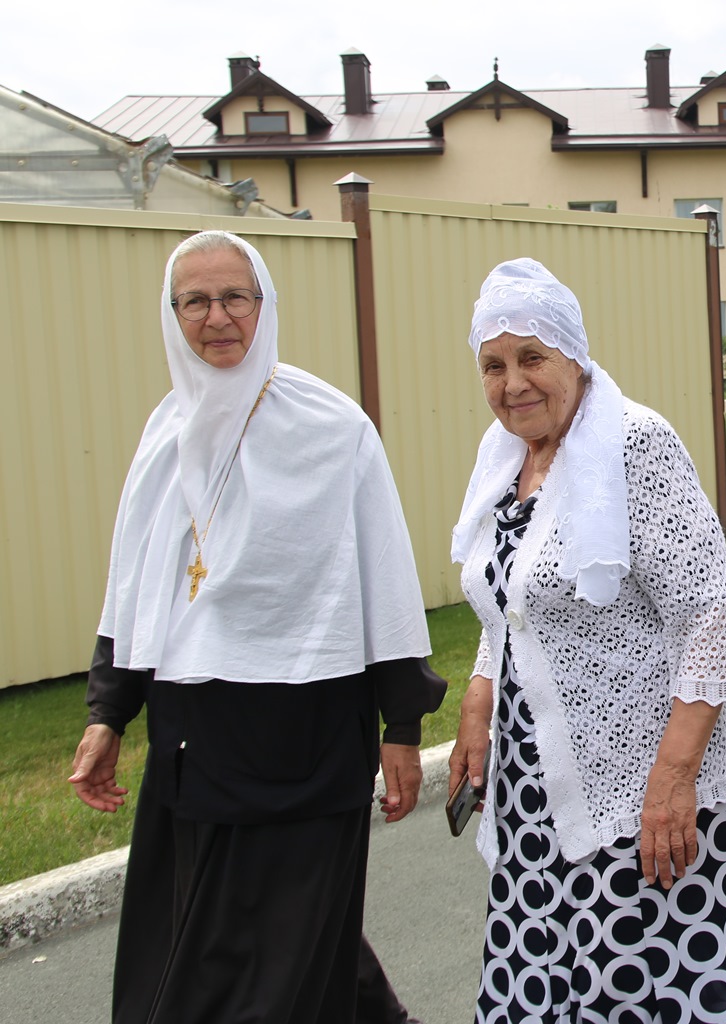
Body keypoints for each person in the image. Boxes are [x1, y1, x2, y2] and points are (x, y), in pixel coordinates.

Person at [69, 230, 445, 1024]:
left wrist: (403, 725)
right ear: (172, 315)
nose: (217, 317)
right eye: (194, 301)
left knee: (277, 962)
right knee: (242, 948)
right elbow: (136, 590)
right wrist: (108, 714)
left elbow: (383, 579)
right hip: (196, 743)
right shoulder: (165, 434)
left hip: (310, 736)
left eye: (234, 297)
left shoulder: (333, 427)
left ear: (264, 303)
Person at [448, 257, 726, 1023]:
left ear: (574, 354)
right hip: (537, 797)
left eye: (531, 357)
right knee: (542, 987)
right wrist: (479, 698)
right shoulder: (504, 462)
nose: (512, 383)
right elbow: (515, 607)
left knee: (645, 986)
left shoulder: (633, 444)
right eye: (493, 365)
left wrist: (674, 780)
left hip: (645, 791)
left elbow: (712, 613)